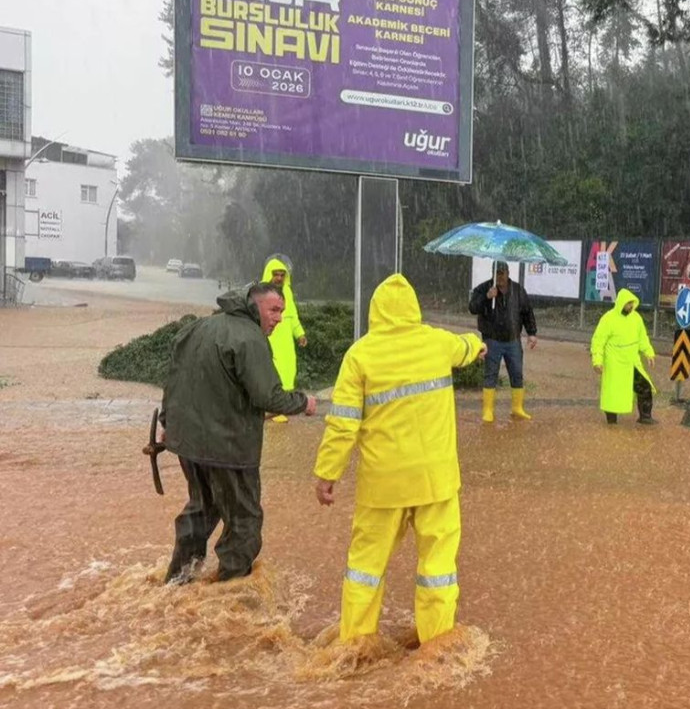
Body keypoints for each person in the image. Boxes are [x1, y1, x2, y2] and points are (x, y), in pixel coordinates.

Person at [313, 274, 486, 647]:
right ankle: (437, 647)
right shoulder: (437, 342)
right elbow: (466, 347)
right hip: (436, 481)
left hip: (383, 484)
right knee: (438, 568)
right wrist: (478, 344)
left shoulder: (360, 355)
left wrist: (328, 473)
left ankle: (355, 646)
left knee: (365, 568)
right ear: (414, 309)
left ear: (375, 311)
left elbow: (342, 423)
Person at [160, 282, 318, 584]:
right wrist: (304, 402)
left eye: (283, 312)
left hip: (189, 446)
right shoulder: (249, 337)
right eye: (273, 309)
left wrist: (168, 424)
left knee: (201, 510)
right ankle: (232, 593)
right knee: (244, 521)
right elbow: (268, 397)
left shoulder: (196, 328)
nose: (278, 318)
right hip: (229, 449)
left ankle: (178, 583)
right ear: (253, 304)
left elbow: (174, 380)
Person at [467, 261, 538, 423]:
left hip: (513, 340)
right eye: (496, 273)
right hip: (492, 340)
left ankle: (517, 408)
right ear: (492, 273)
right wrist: (486, 297)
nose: (499, 277)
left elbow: (527, 312)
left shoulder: (518, 290)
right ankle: (488, 410)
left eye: (501, 273)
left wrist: (532, 333)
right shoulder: (484, 288)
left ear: (507, 273)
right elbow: (472, 308)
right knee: (490, 374)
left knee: (517, 374)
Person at [590, 288, 657, 425]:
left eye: (632, 303)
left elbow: (642, 338)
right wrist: (597, 361)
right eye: (628, 303)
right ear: (621, 303)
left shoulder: (636, 318)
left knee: (644, 387)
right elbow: (598, 341)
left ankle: (645, 417)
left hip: (632, 362)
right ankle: (611, 421)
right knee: (612, 392)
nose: (631, 306)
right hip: (614, 363)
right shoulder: (608, 319)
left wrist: (648, 352)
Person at [262, 257, 307, 423]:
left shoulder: (287, 292)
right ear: (269, 274)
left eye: (282, 274)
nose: (279, 278)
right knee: (270, 372)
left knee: (288, 371)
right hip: (269, 341)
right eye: (276, 274)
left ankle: (284, 407)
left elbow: (292, 316)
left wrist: (300, 334)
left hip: (287, 343)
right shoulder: (261, 293)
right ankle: (270, 406)